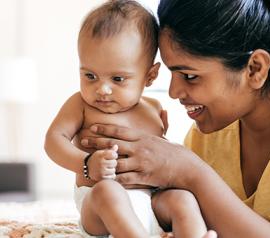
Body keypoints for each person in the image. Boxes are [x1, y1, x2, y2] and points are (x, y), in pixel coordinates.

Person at [80, 0, 270, 237]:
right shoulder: (211, 131)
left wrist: (193, 174)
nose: (174, 92)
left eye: (189, 75)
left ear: (255, 68)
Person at [44, 1, 209, 237]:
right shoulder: (80, 105)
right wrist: (86, 163)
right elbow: (53, 140)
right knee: (109, 192)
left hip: (150, 202)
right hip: (99, 206)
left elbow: (158, 157)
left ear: (150, 76)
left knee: (183, 199)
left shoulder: (154, 109)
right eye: (90, 75)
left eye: (118, 79)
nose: (102, 89)